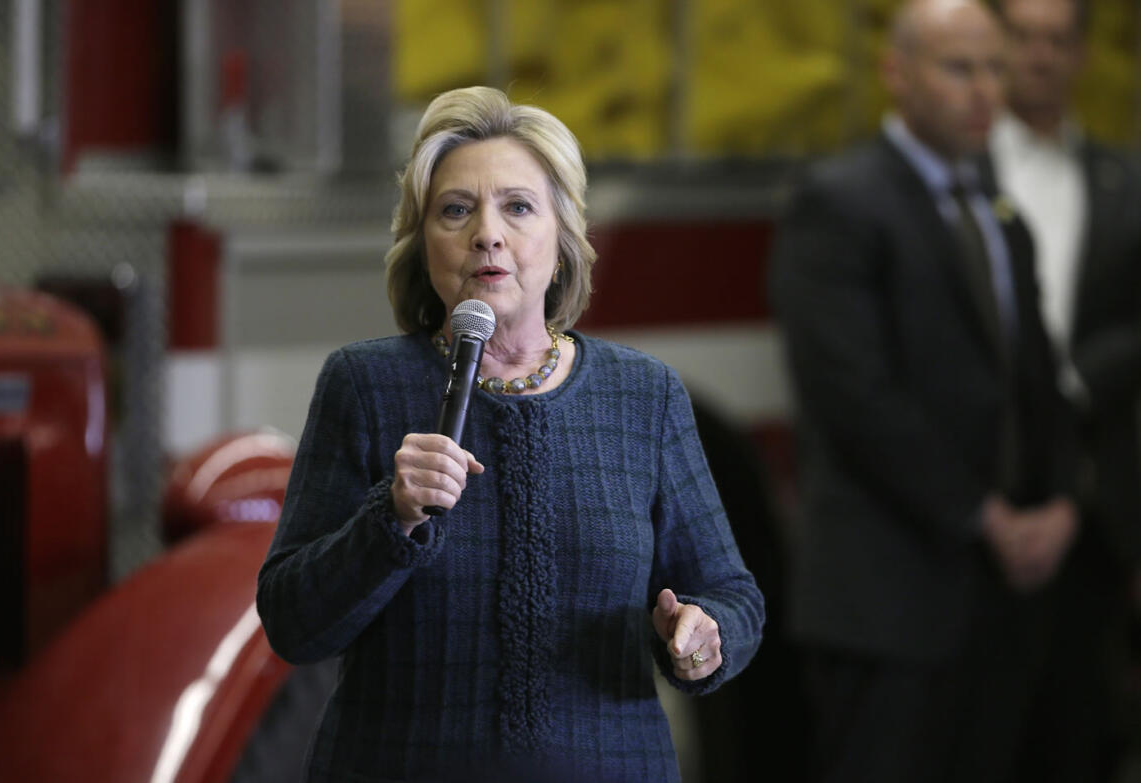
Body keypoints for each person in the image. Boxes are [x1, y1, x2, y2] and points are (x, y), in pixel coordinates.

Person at [256, 85, 764, 782]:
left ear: (561, 241)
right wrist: (390, 518)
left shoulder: (643, 395)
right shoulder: (364, 386)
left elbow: (733, 595)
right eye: (456, 210)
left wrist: (705, 637)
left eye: (518, 207)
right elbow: (293, 621)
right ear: (423, 245)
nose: (486, 233)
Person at [768, 1, 1079, 781]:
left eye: (994, 68)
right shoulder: (838, 203)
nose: (983, 91)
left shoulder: (998, 213)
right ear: (896, 74)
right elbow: (854, 394)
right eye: (958, 68)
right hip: (887, 600)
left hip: (999, 601)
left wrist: (1061, 501)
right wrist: (984, 515)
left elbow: (1036, 382)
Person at [989, 0, 1141, 777]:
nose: (1040, 56)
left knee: (1077, 731)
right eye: (1024, 38)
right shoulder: (958, 168)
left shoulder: (1125, 181)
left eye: (1058, 40)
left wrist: (1078, 378)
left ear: (1082, 54)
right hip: (977, 500)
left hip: (1093, 505)